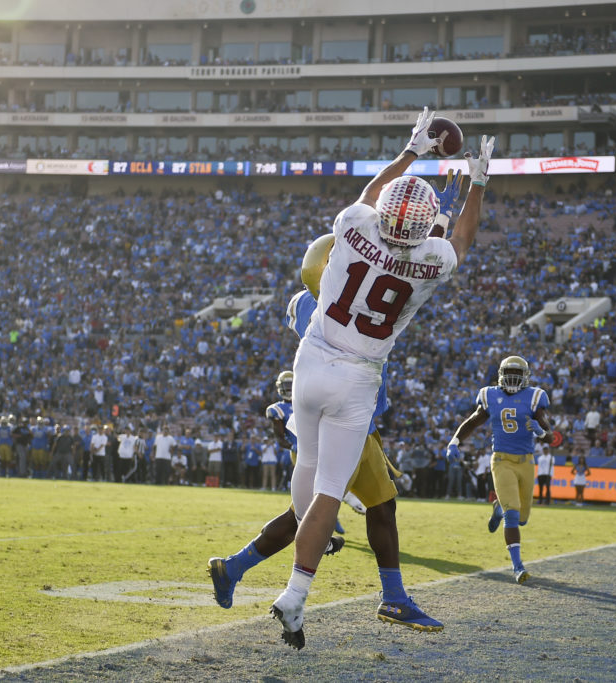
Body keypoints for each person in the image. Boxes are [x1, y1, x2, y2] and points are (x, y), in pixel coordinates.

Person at [270, 122, 488, 649]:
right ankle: (295, 594)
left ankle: (282, 572)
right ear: (424, 229)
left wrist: (411, 151)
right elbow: (460, 239)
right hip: (358, 376)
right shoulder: (430, 261)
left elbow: (371, 192)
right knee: (329, 491)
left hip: (312, 360)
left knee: (306, 466)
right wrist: (478, 183)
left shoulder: (354, 225)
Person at [216, 234, 453, 645]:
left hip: (343, 414)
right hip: (346, 416)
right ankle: (261, 579)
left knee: (374, 507)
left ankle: (239, 570)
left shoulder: (314, 300)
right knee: (315, 513)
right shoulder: (336, 301)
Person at [449, 354, 552, 585]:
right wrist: (454, 441)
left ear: (525, 376)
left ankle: (498, 510)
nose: (513, 378)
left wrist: (541, 432)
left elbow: (551, 436)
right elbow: (474, 420)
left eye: (517, 374)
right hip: (502, 460)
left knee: (522, 519)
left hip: (526, 461)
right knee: (513, 514)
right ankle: (518, 566)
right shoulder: (490, 395)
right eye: (509, 373)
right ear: (500, 375)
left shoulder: (535, 397)